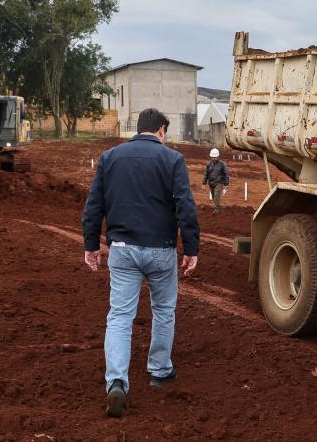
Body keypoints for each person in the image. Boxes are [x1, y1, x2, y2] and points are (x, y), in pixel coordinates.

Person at [81, 108, 200, 418]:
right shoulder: (172, 159)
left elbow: (94, 205)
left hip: (122, 249)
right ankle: (160, 370)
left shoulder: (110, 158)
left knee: (120, 315)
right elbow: (185, 206)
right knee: (163, 311)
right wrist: (191, 248)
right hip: (161, 249)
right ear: (161, 130)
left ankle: (117, 382)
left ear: (138, 128)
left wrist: (91, 245)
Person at [202, 147, 230, 214]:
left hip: (219, 183)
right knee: (214, 197)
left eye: (215, 157)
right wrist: (204, 183)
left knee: (217, 195)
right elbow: (206, 173)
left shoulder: (222, 164)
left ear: (218, 156)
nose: (213, 158)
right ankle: (219, 208)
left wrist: (226, 184)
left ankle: (217, 209)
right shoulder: (209, 164)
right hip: (211, 183)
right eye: (212, 157)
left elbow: (226, 174)